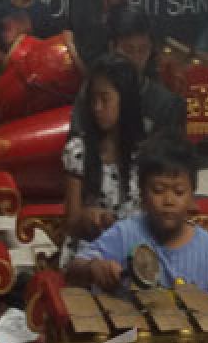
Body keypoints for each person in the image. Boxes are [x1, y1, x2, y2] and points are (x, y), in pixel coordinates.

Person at [67, 134, 208, 294]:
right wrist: (92, 267)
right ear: (142, 195)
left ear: (192, 197)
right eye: (158, 190)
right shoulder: (125, 234)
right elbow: (73, 271)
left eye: (179, 192)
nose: (168, 200)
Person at [60, 54, 146, 267]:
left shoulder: (145, 154)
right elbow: (71, 222)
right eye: (93, 99)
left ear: (125, 100)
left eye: (105, 99)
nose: (97, 107)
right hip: (89, 253)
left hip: (134, 251)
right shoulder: (78, 150)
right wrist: (88, 218)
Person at [69, 6, 186, 138]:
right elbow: (75, 144)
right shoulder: (92, 94)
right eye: (128, 50)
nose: (135, 59)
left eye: (143, 49)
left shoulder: (166, 105)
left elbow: (170, 155)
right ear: (112, 47)